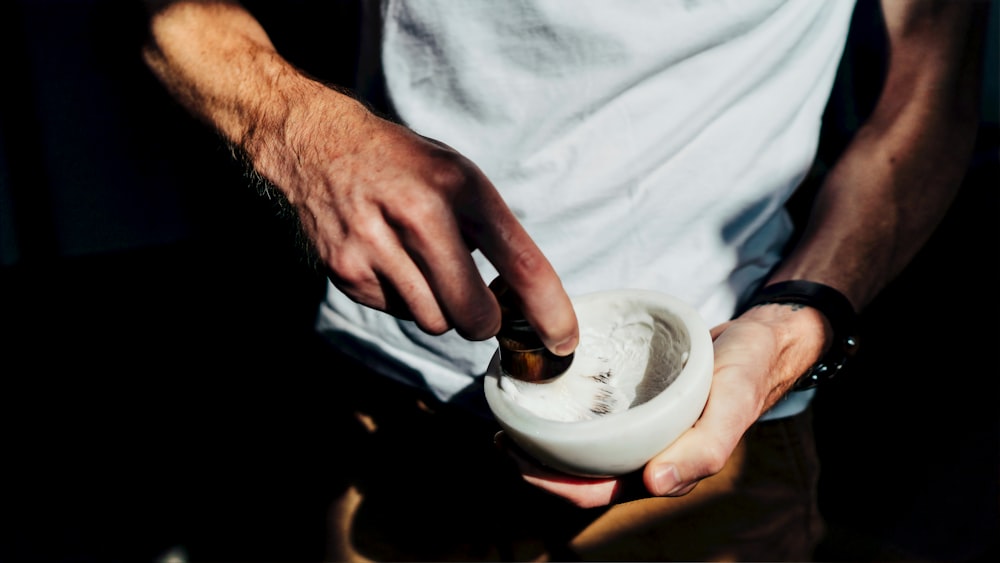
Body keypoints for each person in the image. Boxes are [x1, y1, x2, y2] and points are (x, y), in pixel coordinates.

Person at [141, 0, 989, 560]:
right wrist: (301, 131)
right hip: (382, 397)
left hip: (716, 415)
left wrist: (802, 315)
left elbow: (930, 82)